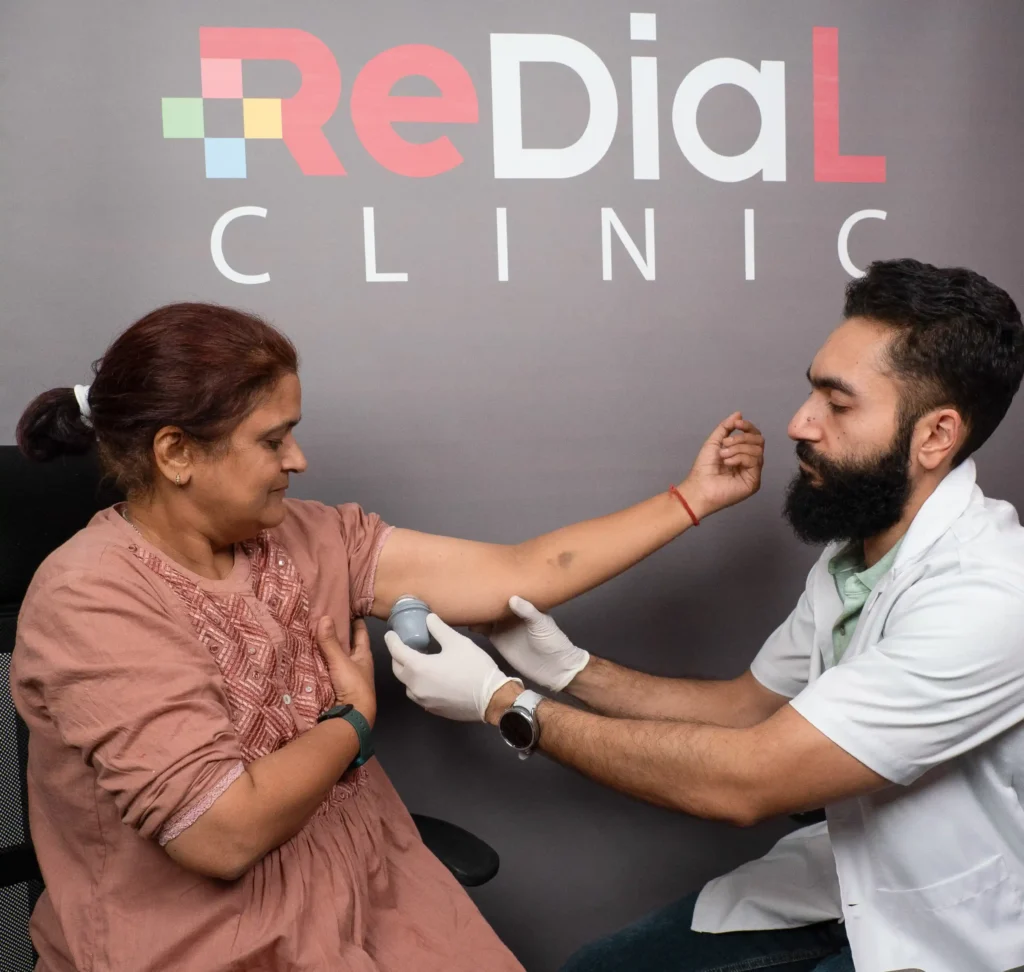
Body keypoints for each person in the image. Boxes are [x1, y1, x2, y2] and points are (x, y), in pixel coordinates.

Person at [9, 302, 763, 972]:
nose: (297, 461)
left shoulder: (311, 537)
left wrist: (692, 499)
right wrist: (353, 724)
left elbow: (528, 568)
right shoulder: (92, 597)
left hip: (367, 891)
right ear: (176, 453)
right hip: (196, 937)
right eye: (273, 441)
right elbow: (220, 835)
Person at [384, 259, 1024, 972]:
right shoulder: (855, 557)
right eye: (811, 389)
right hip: (835, 883)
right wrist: (569, 669)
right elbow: (747, 710)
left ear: (935, 436)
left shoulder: (991, 597)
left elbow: (746, 778)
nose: (799, 423)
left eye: (838, 406)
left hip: (946, 930)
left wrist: (503, 703)